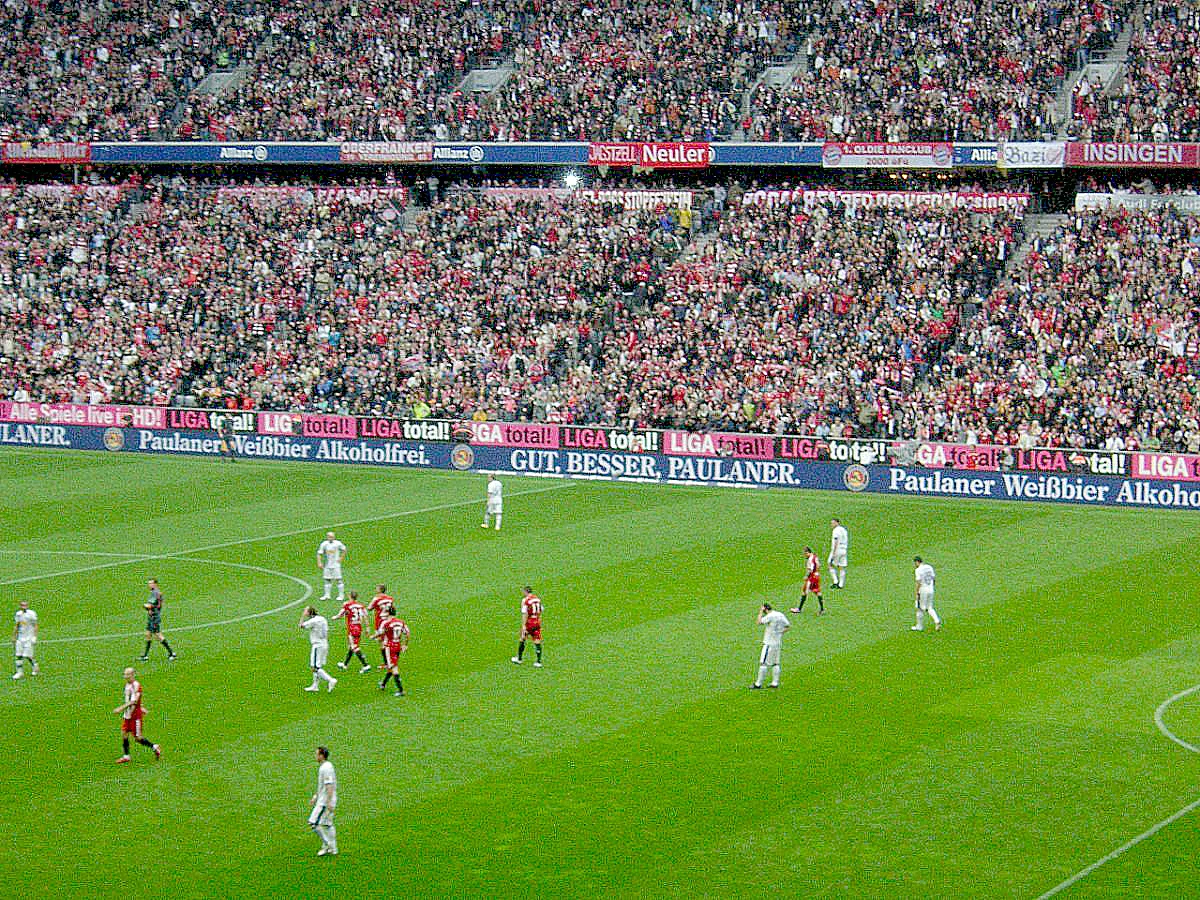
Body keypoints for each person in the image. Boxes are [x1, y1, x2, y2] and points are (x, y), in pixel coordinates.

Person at [114, 667, 161, 763]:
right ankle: (126, 756)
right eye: (124, 674)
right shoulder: (127, 685)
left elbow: (134, 701)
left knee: (138, 738)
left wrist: (120, 708)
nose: (125, 676)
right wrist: (141, 706)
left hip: (135, 716)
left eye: (127, 674)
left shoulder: (136, 686)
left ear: (132, 675)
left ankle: (154, 747)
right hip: (127, 715)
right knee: (124, 734)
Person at [333, 591, 372, 673]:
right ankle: (345, 664)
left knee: (354, 646)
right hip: (358, 627)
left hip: (352, 628)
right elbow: (365, 616)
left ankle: (366, 665)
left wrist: (335, 617)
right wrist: (368, 627)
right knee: (351, 646)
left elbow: (340, 614)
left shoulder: (347, 604)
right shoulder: (361, 606)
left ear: (350, 596)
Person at [300, 606, 338, 692]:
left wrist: (302, 616)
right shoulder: (322, 619)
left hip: (317, 645)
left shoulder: (312, 621)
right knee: (318, 666)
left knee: (315, 667)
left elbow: (301, 626)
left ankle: (331, 680)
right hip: (324, 643)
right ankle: (315, 685)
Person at [752, 602, 790, 689]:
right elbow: (788, 626)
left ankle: (758, 684)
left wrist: (760, 612)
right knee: (776, 663)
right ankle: (775, 682)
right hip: (777, 642)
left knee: (763, 663)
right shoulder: (780, 614)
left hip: (769, 643)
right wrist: (779, 633)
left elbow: (758, 622)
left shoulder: (770, 616)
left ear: (765, 609)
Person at [309, 746, 338, 857]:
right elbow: (323, 786)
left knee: (313, 823)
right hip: (324, 799)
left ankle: (328, 845)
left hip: (325, 801)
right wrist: (316, 796)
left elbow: (329, 785)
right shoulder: (327, 766)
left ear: (321, 755)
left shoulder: (325, 768)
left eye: (317, 754)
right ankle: (333, 849)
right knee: (327, 824)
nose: (315, 756)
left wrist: (329, 802)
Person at [138, 579, 177, 661]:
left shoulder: (155, 593)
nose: (149, 585)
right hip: (151, 617)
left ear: (155, 584)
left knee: (158, 635)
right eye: (149, 583)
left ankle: (171, 653)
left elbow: (150, 605)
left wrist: (145, 606)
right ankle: (145, 655)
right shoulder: (154, 593)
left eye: (151, 583)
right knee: (148, 634)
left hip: (154, 618)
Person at [374, 609, 410, 696]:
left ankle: (401, 690)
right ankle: (383, 684)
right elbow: (407, 633)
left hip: (389, 647)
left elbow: (380, 633)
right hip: (398, 645)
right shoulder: (401, 622)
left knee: (393, 667)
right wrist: (405, 645)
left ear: (388, 613)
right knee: (392, 665)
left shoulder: (387, 623)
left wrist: (373, 637)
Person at [511, 586, 543, 667]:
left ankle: (519, 659)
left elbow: (525, 613)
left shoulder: (525, 600)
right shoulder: (537, 599)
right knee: (537, 640)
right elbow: (541, 610)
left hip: (530, 622)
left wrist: (524, 625)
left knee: (522, 638)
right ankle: (538, 662)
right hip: (537, 621)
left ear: (525, 592)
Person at [791, 546, 824, 615]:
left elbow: (810, 570)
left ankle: (799, 609)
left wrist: (807, 576)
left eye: (805, 554)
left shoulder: (810, 560)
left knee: (804, 592)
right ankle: (822, 609)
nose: (805, 556)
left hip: (812, 578)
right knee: (817, 592)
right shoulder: (815, 557)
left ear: (807, 552)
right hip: (817, 576)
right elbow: (818, 565)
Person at [912, 556, 942, 632]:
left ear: (917, 562)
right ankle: (937, 620)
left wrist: (916, 592)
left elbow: (918, 582)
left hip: (923, 590)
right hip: (930, 589)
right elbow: (933, 578)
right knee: (929, 607)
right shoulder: (929, 567)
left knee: (919, 608)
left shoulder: (918, 570)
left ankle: (919, 626)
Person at [367, 585, 395, 666]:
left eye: (377, 588)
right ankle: (389, 660)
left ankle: (387, 663)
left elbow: (369, 608)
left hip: (380, 622)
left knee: (382, 642)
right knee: (387, 639)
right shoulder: (390, 598)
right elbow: (392, 608)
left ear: (380, 590)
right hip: (389, 620)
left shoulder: (376, 598)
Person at [317, 532, 347, 602]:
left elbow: (344, 550)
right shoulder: (324, 544)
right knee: (327, 580)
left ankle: (341, 595)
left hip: (336, 565)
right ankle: (327, 595)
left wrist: (341, 558)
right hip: (327, 565)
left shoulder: (338, 543)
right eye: (330, 537)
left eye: (332, 536)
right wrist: (319, 562)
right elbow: (319, 554)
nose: (331, 538)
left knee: (339, 580)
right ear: (327, 537)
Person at [12, 599, 39, 679]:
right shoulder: (18, 614)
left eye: (25, 605)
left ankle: (35, 666)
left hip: (28, 638)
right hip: (20, 639)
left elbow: (35, 625)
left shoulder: (31, 614)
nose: (24, 607)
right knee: (18, 655)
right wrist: (14, 636)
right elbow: (17, 625)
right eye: (22, 605)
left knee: (28, 656)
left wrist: (34, 637)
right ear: (20, 606)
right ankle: (19, 672)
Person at [829, 518, 849, 589]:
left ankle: (835, 581)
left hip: (837, 550)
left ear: (837, 523)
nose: (832, 524)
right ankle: (841, 584)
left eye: (833, 523)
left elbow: (836, 541)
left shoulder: (836, 531)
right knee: (841, 567)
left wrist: (833, 553)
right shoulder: (844, 530)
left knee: (830, 564)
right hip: (844, 549)